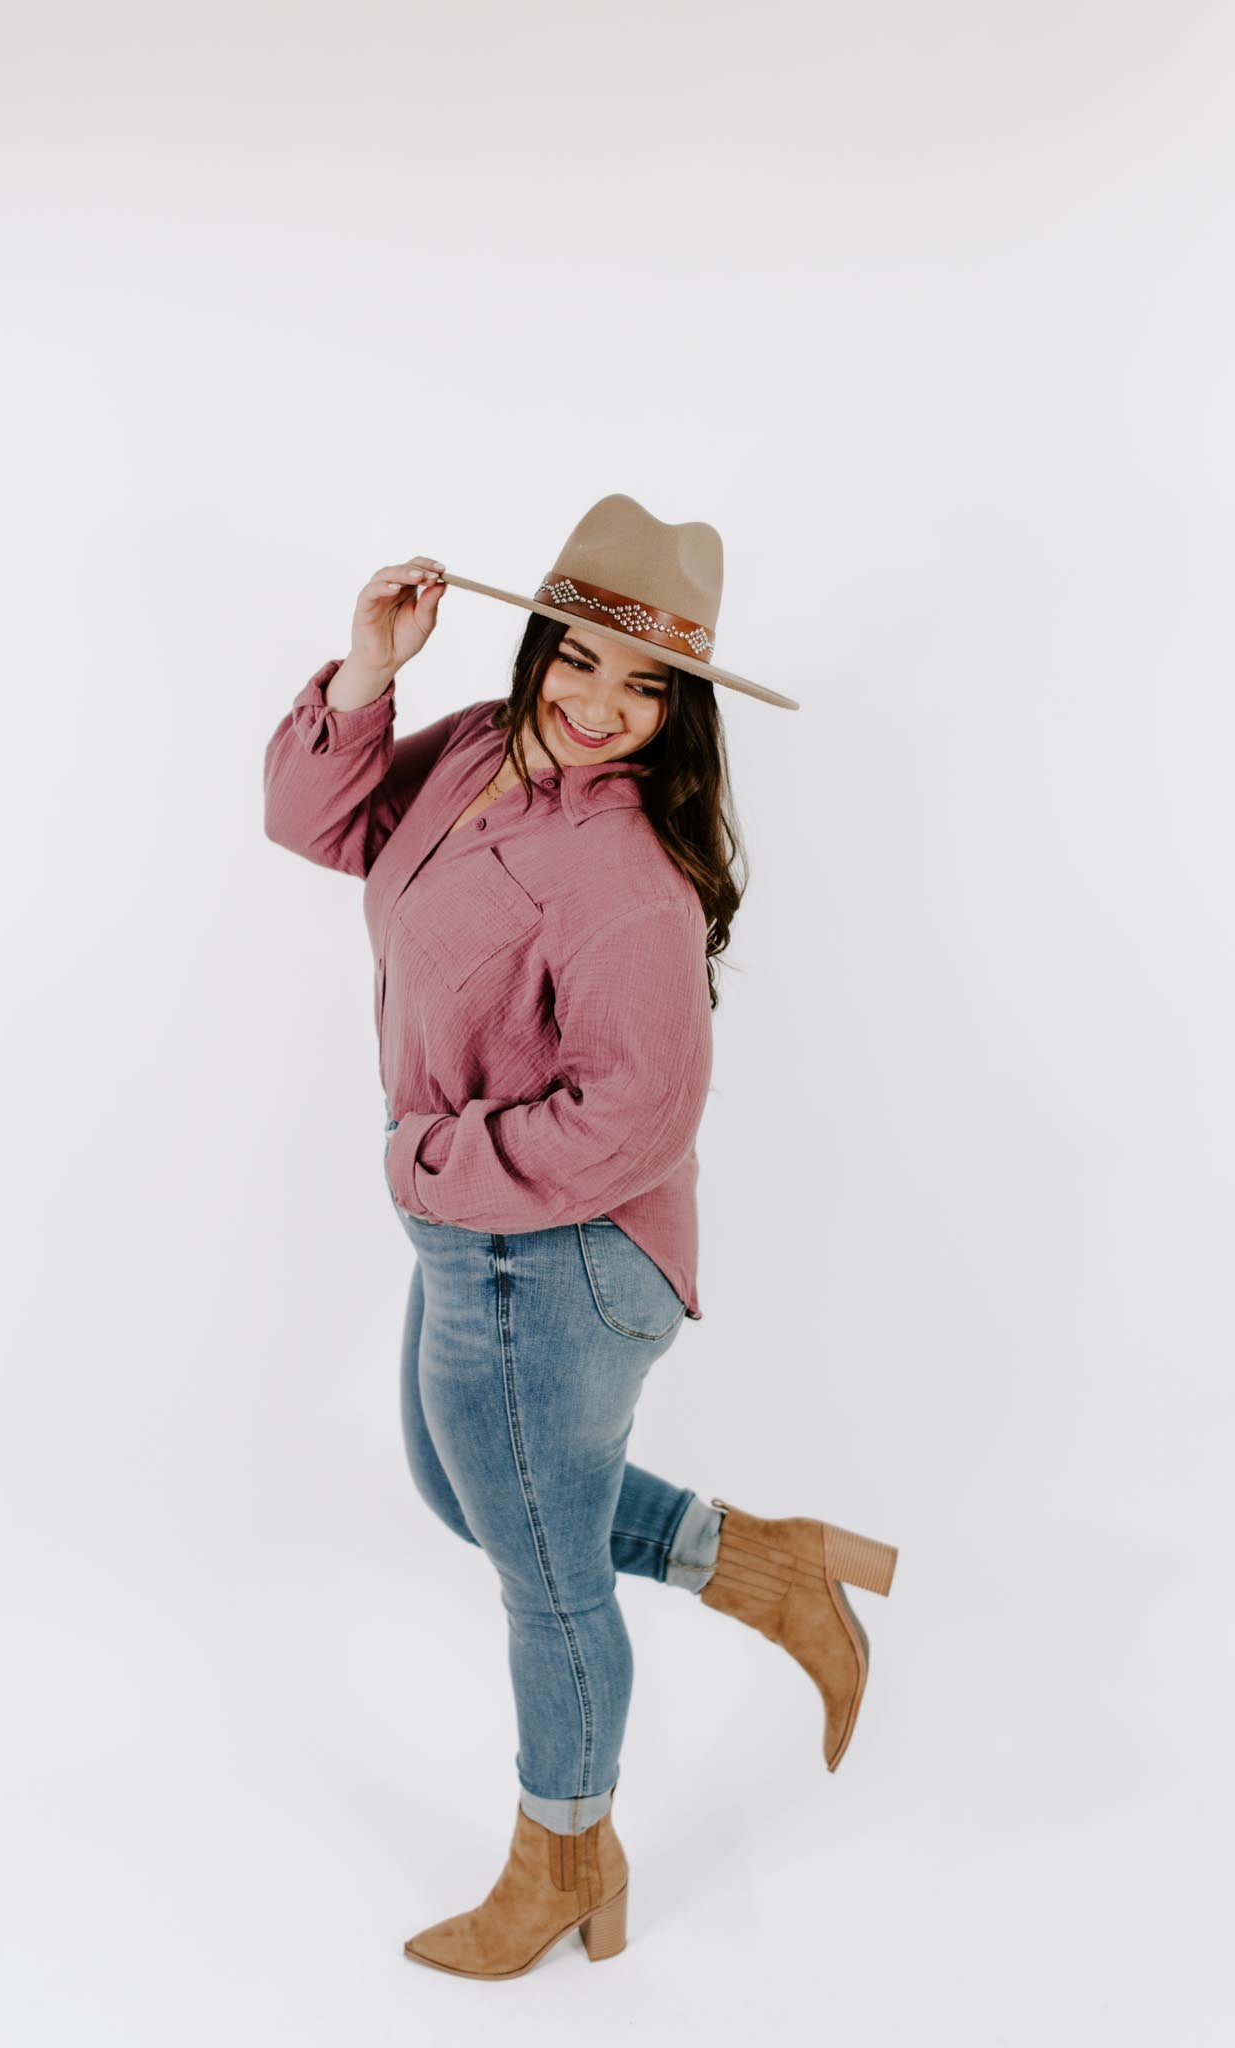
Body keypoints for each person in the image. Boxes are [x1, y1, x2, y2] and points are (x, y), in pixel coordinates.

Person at [262, 495, 898, 1981]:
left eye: (647, 687)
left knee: (546, 1577)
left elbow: (638, 1117)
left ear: (681, 712)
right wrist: (370, 670)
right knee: (460, 1489)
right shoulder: (482, 749)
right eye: (583, 660)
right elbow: (314, 822)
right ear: (540, 643)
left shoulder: (627, 875)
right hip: (482, 1230)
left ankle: (565, 1859)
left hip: (553, 1252)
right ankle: (771, 1566)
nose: (602, 707)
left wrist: (433, 1163)